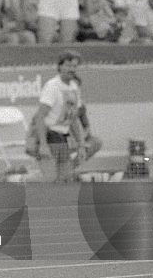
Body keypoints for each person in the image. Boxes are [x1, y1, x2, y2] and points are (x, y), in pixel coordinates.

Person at [31, 51, 102, 183]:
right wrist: (43, 144)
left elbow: (73, 119)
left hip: (62, 137)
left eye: (75, 66)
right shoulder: (53, 86)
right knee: (49, 179)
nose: (72, 69)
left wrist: (81, 144)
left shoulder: (74, 88)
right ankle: (15, 181)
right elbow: (40, 117)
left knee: (64, 178)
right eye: (68, 65)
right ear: (60, 66)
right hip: (49, 135)